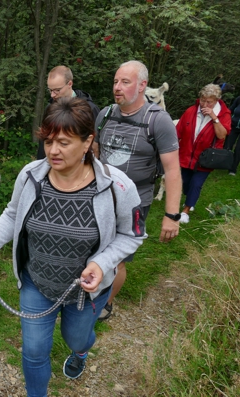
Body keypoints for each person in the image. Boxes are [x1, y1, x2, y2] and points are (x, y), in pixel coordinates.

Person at [0, 97, 146, 397]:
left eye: (63, 142)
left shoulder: (118, 187)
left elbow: (133, 235)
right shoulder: (31, 175)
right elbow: (13, 214)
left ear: (88, 142)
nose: (53, 151)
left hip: (85, 292)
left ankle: (82, 351)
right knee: (33, 351)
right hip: (37, 283)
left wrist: (100, 264)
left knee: (77, 340)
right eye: (48, 142)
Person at [92, 60, 182, 321]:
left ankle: (105, 303)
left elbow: (173, 171)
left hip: (134, 204)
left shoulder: (159, 121)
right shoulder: (106, 114)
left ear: (143, 86)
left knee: (117, 259)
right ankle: (89, 290)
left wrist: (171, 215)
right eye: (115, 82)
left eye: (125, 82)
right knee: (95, 250)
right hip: (100, 197)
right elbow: (96, 153)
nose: (117, 87)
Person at [176, 84, 231, 223]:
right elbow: (178, 130)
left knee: (196, 183)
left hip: (206, 158)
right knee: (186, 182)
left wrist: (214, 118)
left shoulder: (224, 114)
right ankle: (191, 198)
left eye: (209, 102)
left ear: (217, 101)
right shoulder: (191, 111)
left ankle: (186, 210)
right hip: (186, 155)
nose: (204, 104)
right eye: (202, 100)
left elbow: (222, 135)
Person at [37, 65, 100, 159]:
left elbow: (95, 145)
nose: (52, 95)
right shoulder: (50, 108)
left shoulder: (90, 109)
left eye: (57, 90)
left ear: (70, 84)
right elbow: (44, 142)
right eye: (50, 90)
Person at [224, 94, 240, 176]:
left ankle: (233, 169)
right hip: (233, 126)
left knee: (238, 149)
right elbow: (230, 110)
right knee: (228, 146)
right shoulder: (238, 99)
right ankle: (224, 163)